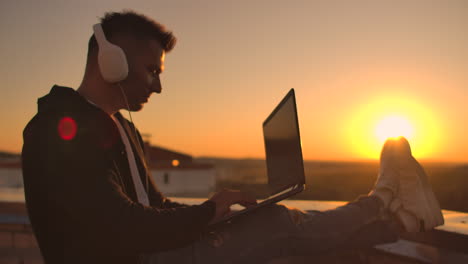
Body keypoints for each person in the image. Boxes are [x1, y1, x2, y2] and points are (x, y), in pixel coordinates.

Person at [21, 10, 444, 264]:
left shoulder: (121, 127)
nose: (157, 87)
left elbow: (151, 207)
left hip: (149, 250)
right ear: (109, 62)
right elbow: (118, 225)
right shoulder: (57, 131)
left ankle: (399, 218)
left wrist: (215, 209)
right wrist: (205, 214)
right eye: (152, 71)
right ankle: (383, 201)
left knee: (267, 220)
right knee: (278, 222)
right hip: (136, 259)